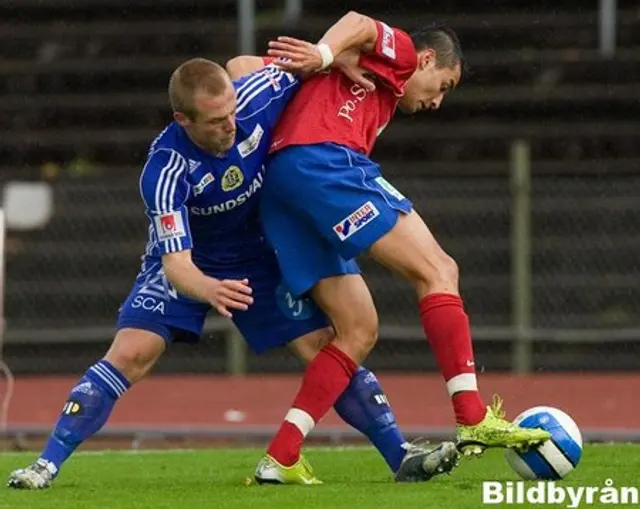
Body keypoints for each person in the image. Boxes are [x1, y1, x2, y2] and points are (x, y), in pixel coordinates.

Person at [7, 53, 457, 490]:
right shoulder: (165, 169)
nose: (231, 125)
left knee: (323, 347)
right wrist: (208, 288)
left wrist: (335, 58)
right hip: (194, 261)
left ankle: (401, 456)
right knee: (132, 353)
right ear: (184, 120)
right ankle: (45, 465)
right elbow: (176, 263)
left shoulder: (257, 95)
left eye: (232, 111)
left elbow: (304, 62)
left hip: (259, 254)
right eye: (216, 121)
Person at [229, 11, 553, 477]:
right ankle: (472, 416)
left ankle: (280, 457)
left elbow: (240, 65)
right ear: (425, 61)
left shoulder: (358, 75)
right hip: (325, 163)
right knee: (439, 271)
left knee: (357, 329)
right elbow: (359, 20)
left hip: (280, 190)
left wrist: (328, 60)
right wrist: (326, 52)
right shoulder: (401, 53)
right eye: (443, 84)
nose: (438, 101)